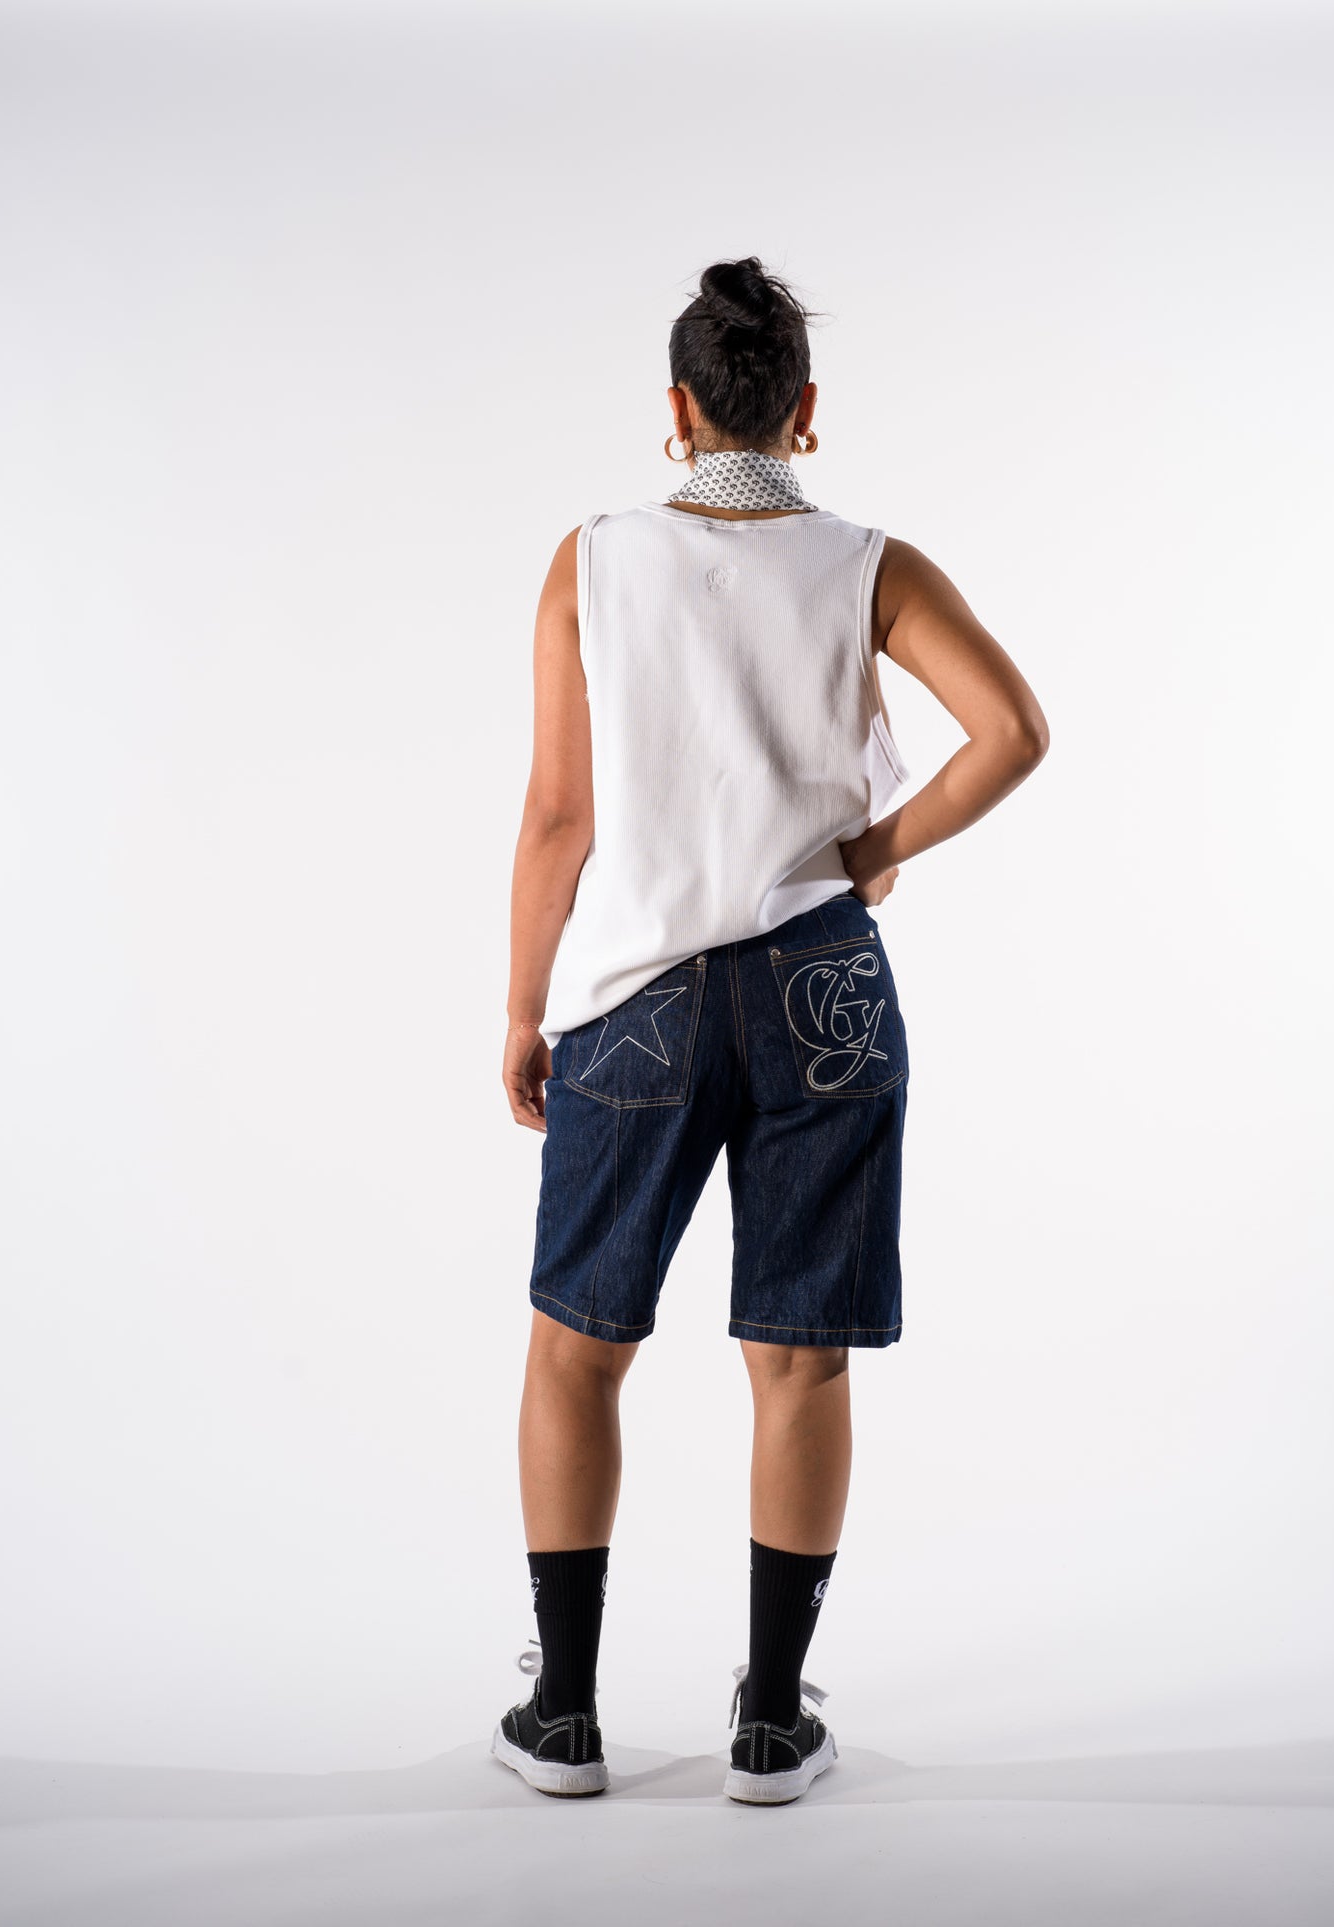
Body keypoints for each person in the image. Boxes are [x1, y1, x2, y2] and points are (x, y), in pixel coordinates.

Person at [490, 255, 1049, 1805]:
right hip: (822, 992)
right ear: (804, 408)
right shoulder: (871, 565)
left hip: (638, 1000)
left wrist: (524, 1008)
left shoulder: (592, 561)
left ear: (677, 409)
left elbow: (558, 817)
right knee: (797, 1364)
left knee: (576, 1351)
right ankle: (769, 1725)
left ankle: (565, 1719)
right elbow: (1011, 732)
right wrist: (874, 847)